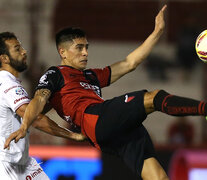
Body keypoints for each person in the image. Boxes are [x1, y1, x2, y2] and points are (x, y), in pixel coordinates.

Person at [5, 5, 207, 180]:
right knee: (153, 97)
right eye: (79, 48)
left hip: (112, 131)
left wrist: (157, 32)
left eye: (86, 47)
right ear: (62, 52)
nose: (85, 52)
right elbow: (38, 102)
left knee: (158, 175)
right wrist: (24, 128)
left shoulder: (92, 75)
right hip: (96, 119)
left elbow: (130, 63)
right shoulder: (55, 73)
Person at [0, 32, 85, 180]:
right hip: (8, 166)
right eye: (17, 49)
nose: (23, 52)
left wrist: (55, 98)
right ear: (4, 58)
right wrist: (73, 135)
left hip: (22, 162)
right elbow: (36, 118)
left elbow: (32, 113)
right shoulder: (7, 84)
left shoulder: (8, 83)